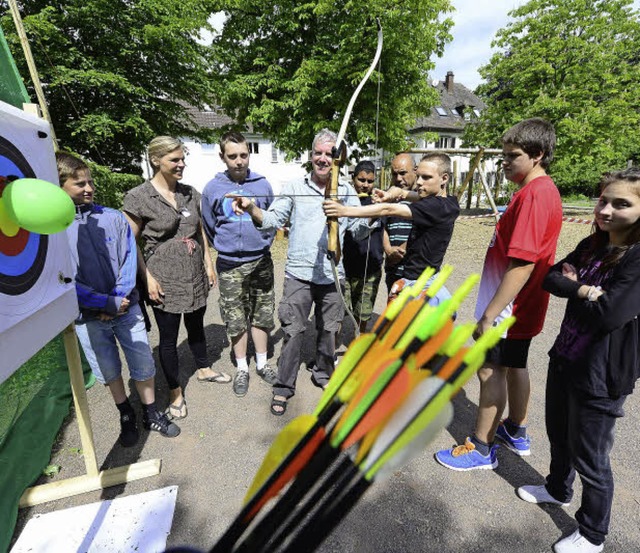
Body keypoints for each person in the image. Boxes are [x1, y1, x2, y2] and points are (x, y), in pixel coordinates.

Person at [516, 167, 640, 553]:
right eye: (603, 200)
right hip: (566, 356)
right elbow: (551, 278)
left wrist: (579, 289)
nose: (606, 211)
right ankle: (557, 488)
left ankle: (592, 533)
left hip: (601, 375)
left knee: (592, 457)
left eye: (621, 204)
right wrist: (587, 290)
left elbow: (611, 313)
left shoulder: (636, 259)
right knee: (559, 433)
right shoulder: (593, 245)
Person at [435, 117, 563, 470]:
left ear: (537, 155)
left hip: (509, 310)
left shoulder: (536, 195)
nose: (503, 162)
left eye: (512, 156)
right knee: (514, 365)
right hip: (519, 307)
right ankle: (515, 430)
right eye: (503, 156)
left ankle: (480, 448)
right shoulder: (536, 191)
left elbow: (521, 264)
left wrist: (491, 314)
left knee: (490, 371)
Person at [230, 129, 373, 416]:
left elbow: (361, 228)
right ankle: (284, 387)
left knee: (329, 331)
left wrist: (360, 210)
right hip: (298, 274)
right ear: (311, 155)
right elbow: (271, 219)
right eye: (318, 152)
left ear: (338, 158)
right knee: (293, 332)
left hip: (333, 275)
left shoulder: (346, 191)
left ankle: (323, 375)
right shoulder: (295, 186)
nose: (323, 159)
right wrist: (251, 208)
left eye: (329, 154)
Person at [57, 152, 179, 446]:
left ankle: (150, 411)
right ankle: (125, 413)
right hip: (89, 317)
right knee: (109, 369)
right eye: (79, 184)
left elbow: (128, 259)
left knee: (142, 362)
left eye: (90, 182)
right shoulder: (53, 231)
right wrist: (102, 303)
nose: (88, 188)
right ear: (59, 186)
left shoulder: (113, 218)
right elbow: (61, 279)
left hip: (127, 309)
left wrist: (119, 298)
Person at [123, 136, 230, 421]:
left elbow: (199, 231)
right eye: (175, 160)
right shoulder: (138, 197)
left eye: (183, 159)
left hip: (194, 273)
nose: (181, 164)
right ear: (156, 160)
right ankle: (175, 392)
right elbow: (129, 242)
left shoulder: (189, 193)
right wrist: (147, 278)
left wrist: (208, 263)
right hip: (163, 278)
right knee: (168, 338)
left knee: (196, 324)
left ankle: (204, 368)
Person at [324, 152, 459, 307]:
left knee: (407, 329)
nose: (420, 182)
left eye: (426, 177)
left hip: (420, 284)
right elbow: (413, 195)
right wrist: (398, 192)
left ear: (444, 178)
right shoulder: (449, 202)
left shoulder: (435, 207)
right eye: (419, 176)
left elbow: (387, 210)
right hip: (420, 278)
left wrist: (343, 211)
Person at [201, 131, 277, 398]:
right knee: (235, 318)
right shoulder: (213, 189)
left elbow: (270, 219)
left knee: (262, 313)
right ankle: (242, 368)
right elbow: (209, 227)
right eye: (232, 156)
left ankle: (262, 363)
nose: (239, 161)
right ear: (222, 157)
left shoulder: (262, 185)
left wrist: (262, 241)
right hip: (230, 265)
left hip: (260, 261)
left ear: (249, 155)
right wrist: (226, 246)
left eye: (243, 155)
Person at [342, 160, 384, 334]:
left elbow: (386, 229)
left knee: (363, 314)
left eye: (370, 181)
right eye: (361, 180)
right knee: (339, 313)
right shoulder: (345, 200)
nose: (365, 185)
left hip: (371, 267)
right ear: (353, 178)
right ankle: (333, 349)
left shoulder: (379, 201)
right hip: (345, 267)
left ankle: (358, 346)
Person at [383, 153, 417, 292]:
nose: (398, 179)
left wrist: (401, 250)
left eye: (403, 173)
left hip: (414, 271)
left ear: (415, 170)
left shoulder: (422, 197)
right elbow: (382, 225)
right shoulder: (389, 195)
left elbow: (422, 229)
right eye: (394, 174)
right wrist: (388, 250)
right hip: (393, 269)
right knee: (393, 310)